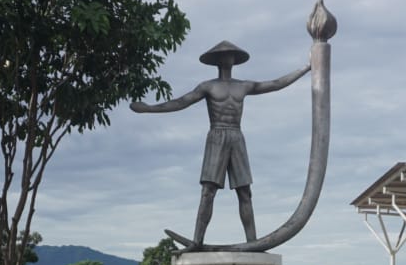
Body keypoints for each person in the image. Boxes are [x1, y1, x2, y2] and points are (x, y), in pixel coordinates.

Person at [130, 40, 311, 247]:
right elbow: (181, 102)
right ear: (217, 60)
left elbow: (276, 84)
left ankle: (252, 243)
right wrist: (149, 108)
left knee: (245, 191)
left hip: (236, 137)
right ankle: (197, 241)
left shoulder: (243, 85)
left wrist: (306, 67)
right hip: (217, 136)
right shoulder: (208, 86)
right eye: (224, 55)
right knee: (208, 191)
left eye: (231, 54)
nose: (228, 58)